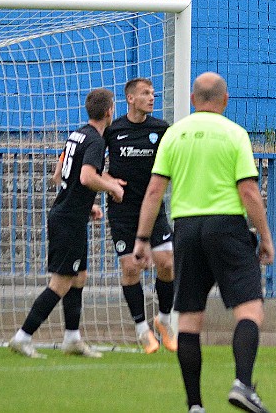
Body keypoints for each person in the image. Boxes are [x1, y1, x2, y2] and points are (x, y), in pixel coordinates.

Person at [133, 72, 274, 413]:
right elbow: (249, 191)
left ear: (193, 101)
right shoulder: (234, 134)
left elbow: (154, 190)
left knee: (190, 320)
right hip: (226, 227)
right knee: (250, 309)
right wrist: (266, 238)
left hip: (186, 230)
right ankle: (242, 383)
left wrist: (141, 239)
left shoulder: (173, 134)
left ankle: (195, 405)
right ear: (225, 100)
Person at [9, 88, 126, 359]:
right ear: (110, 110)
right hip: (68, 221)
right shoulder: (96, 140)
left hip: (69, 214)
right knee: (61, 282)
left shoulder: (77, 134)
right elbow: (86, 177)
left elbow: (58, 174)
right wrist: (112, 188)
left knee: (79, 277)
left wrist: (87, 205)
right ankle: (22, 336)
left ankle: (72, 338)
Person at [103, 77, 176, 354]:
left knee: (167, 263)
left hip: (153, 208)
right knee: (131, 268)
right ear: (130, 98)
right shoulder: (113, 130)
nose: (152, 97)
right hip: (123, 211)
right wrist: (108, 181)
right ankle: (141, 329)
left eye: (153, 93)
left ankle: (164, 320)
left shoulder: (161, 129)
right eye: (146, 93)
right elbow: (94, 164)